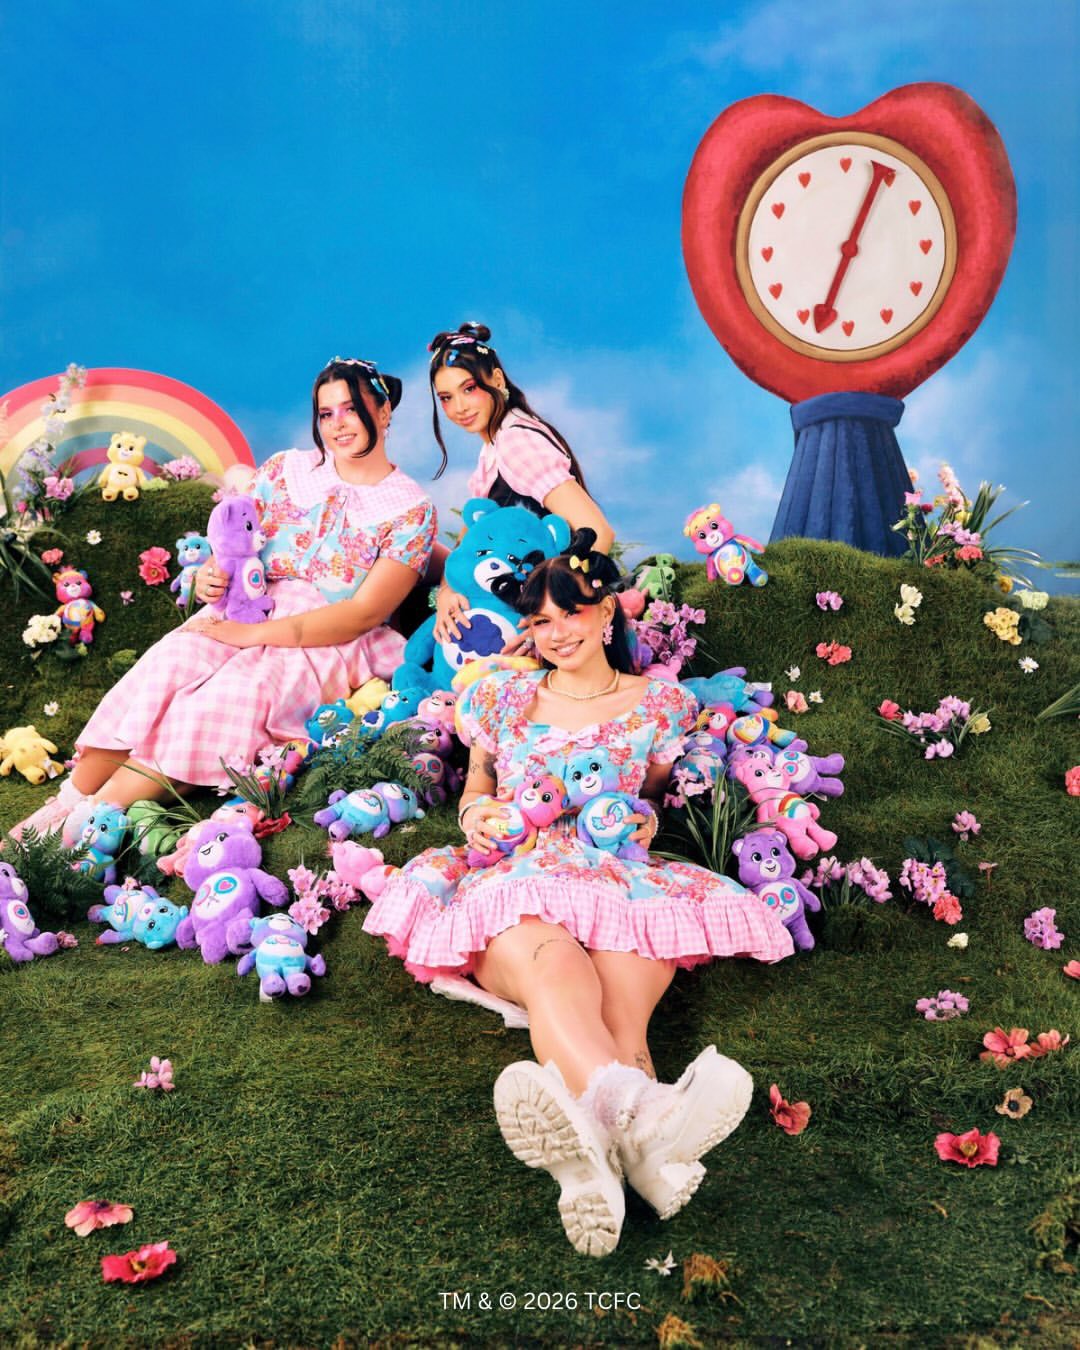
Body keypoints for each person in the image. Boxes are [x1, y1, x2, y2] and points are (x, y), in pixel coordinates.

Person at [362, 531, 793, 1258]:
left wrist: (640, 820)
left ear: (606, 613)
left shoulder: (658, 702)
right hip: (520, 870)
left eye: (572, 613)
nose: (557, 632)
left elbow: (648, 797)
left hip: (620, 877)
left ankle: (609, 1165)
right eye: (540, 621)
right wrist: (476, 817)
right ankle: (649, 1123)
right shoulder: (501, 696)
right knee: (556, 967)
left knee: (623, 1019)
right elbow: (477, 787)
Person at [11, 357, 437, 840]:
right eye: (326, 413)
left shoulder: (410, 509)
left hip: (324, 634)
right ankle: (65, 800)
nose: (338, 424)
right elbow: (236, 542)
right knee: (167, 664)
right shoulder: (287, 469)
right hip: (249, 602)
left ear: (383, 410)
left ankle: (83, 824)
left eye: (351, 409)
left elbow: (363, 613)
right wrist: (215, 572)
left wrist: (253, 636)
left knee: (224, 701)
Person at [427, 322, 613, 647]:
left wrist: (550, 618)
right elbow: (468, 542)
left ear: (497, 380)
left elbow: (597, 532)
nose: (459, 407)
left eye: (469, 388)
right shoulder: (493, 449)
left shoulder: (516, 442)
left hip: (546, 624)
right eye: (446, 397)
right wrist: (446, 592)